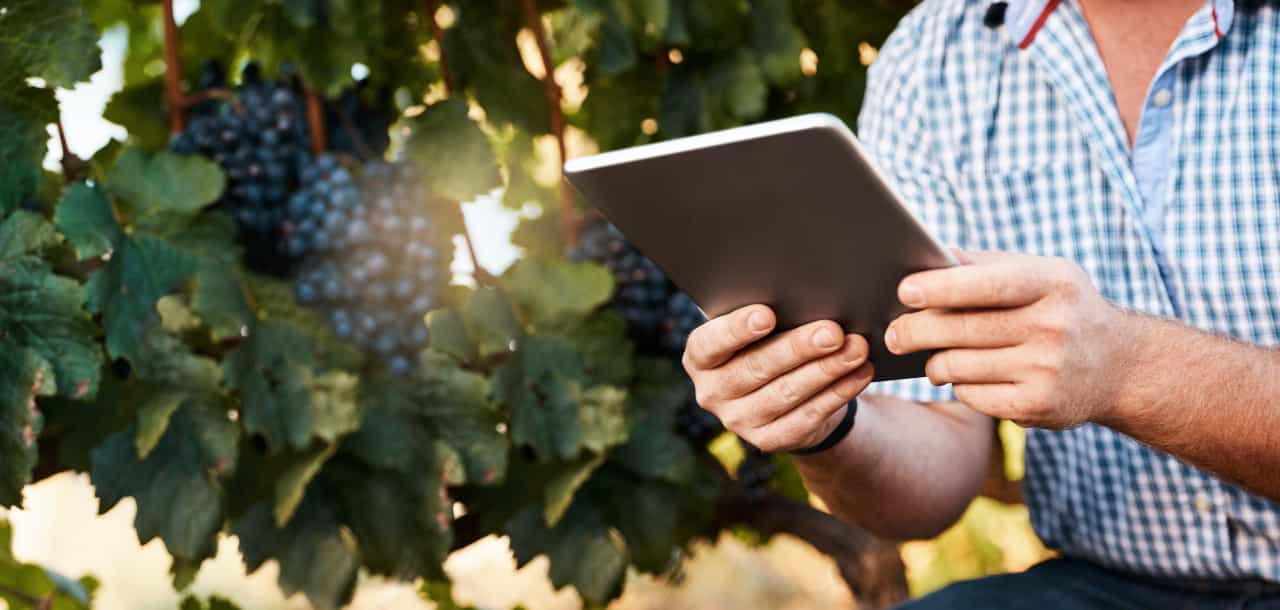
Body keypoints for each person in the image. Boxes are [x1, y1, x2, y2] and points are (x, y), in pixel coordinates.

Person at [681, 0, 1280, 607]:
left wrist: (1128, 369)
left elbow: (1120, 366)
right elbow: (934, 464)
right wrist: (828, 428)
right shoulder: (933, 58)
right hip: (1106, 588)